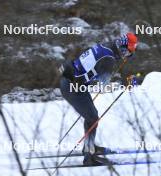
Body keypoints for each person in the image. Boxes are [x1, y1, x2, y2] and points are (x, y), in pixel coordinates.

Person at [59, 32, 138, 165]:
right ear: (123, 48)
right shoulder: (109, 59)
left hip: (72, 81)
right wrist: (128, 83)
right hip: (72, 86)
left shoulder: (106, 47)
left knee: (92, 116)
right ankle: (89, 156)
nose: (128, 55)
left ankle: (90, 147)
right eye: (129, 51)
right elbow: (104, 85)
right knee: (92, 117)